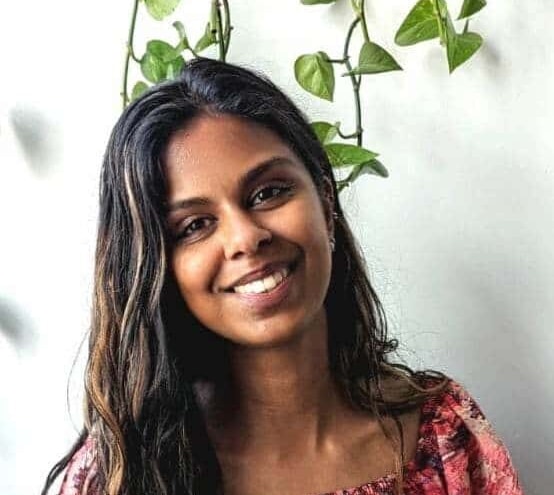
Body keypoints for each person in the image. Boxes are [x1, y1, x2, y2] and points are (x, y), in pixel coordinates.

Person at [42, 58, 523, 495]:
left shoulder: (444, 439)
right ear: (157, 268)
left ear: (326, 202)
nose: (245, 238)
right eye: (194, 226)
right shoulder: (118, 477)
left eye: (268, 192)